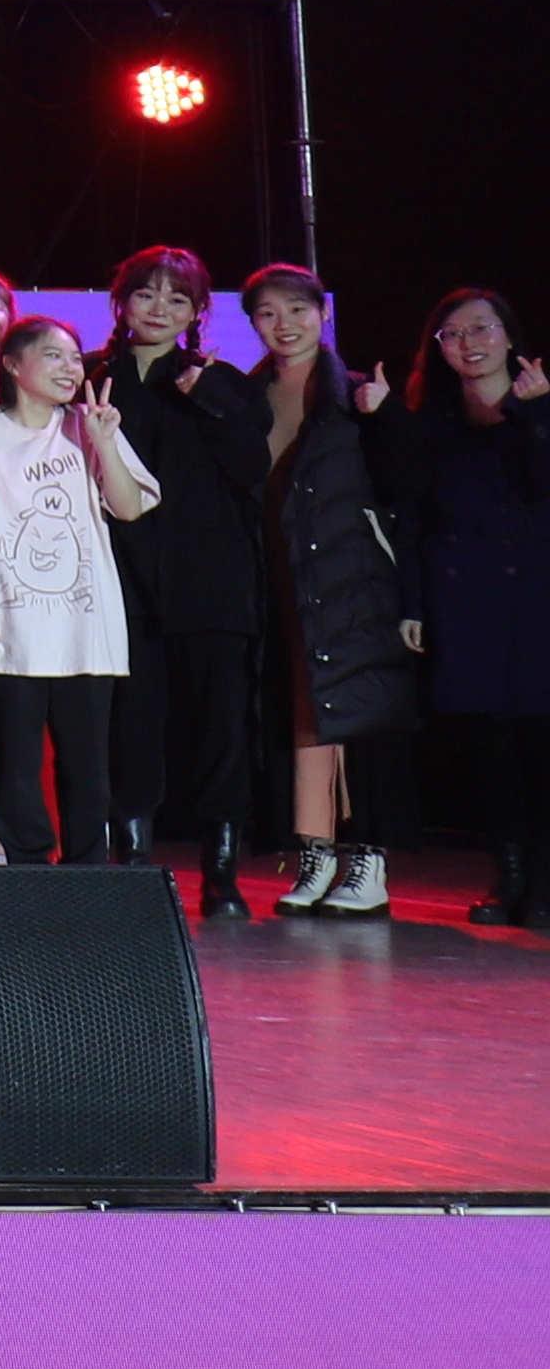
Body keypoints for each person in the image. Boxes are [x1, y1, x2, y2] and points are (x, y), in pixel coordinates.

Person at [0, 318, 157, 869]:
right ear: (13, 364)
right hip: (8, 627)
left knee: (87, 765)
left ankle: (87, 873)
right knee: (16, 767)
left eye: (75, 358)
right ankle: (30, 872)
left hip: (86, 626)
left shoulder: (88, 424)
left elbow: (129, 508)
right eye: (54, 356)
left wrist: (104, 441)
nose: (70, 369)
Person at [240, 263, 416, 917]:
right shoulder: (248, 396)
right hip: (281, 574)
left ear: (323, 314)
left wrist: (385, 416)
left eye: (297, 310)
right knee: (302, 715)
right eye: (267, 313)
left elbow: (405, 486)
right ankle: (315, 850)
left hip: (352, 574)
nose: (283, 325)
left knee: (361, 714)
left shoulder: (356, 394)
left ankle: (367, 857)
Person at [103, 246, 276, 911]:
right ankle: (132, 864)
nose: (159, 309)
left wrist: (209, 399)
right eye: (146, 294)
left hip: (212, 581)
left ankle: (221, 871)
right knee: (131, 724)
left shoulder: (221, 382)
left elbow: (251, 471)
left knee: (220, 729)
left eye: (177, 299)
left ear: (198, 313)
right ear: (121, 302)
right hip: (124, 578)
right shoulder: (92, 377)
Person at [396, 291, 550, 930]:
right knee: (490, 747)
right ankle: (508, 877)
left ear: (509, 336)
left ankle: (543, 885)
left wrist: (532, 415)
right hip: (465, 598)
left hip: (537, 597)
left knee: (540, 742)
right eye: (452, 334)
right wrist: (413, 604)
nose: (468, 343)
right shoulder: (431, 422)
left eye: (481, 329)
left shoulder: (539, 407)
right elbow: (413, 521)